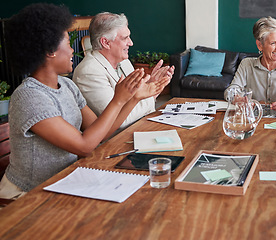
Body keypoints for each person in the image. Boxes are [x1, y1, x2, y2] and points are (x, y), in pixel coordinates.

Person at [0, 3, 167, 198]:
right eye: (68, 44)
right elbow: (85, 146)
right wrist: (118, 100)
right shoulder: (29, 96)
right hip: (29, 195)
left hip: (65, 181)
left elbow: (101, 132)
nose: (73, 51)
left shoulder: (67, 86)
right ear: (50, 50)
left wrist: (132, 98)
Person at [73, 12, 174, 129]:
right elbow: (120, 120)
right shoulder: (88, 73)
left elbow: (134, 99)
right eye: (125, 38)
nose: (131, 43)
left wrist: (151, 84)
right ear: (105, 42)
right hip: (115, 141)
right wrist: (151, 94)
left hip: (139, 128)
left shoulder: (123, 61)